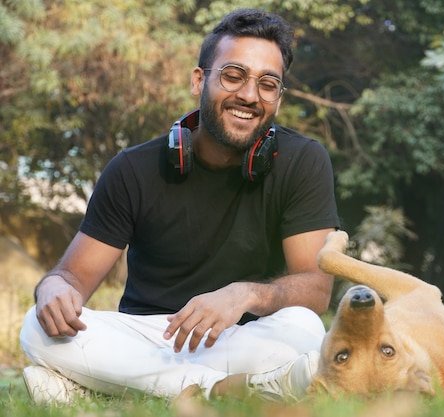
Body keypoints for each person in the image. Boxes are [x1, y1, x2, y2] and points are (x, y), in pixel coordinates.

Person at [20, 8, 340, 404]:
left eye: (268, 84)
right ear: (198, 80)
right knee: (36, 326)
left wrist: (243, 296)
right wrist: (53, 289)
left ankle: (109, 392)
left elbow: (315, 289)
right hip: (149, 340)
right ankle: (226, 392)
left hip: (241, 340)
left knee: (305, 327)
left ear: (278, 97)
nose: (249, 95)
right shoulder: (132, 170)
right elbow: (71, 278)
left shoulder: (303, 161)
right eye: (233, 75)